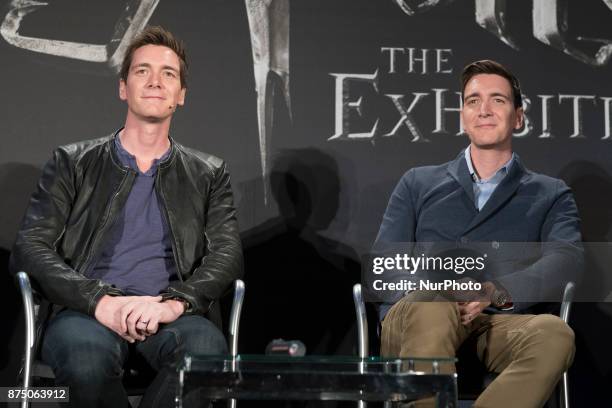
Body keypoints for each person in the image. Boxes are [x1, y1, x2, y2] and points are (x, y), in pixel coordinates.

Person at [10, 26, 243, 407]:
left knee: (204, 351)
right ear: (123, 88)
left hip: (171, 312)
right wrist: (101, 301)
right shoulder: (73, 162)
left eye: (168, 74)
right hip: (87, 311)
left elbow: (227, 255)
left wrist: (172, 304)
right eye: (142, 71)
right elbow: (30, 247)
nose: (155, 81)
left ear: (181, 95)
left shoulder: (209, 172)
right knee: (85, 361)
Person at [374, 60, 583, 408]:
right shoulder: (418, 182)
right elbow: (385, 262)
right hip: (417, 318)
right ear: (462, 116)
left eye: (497, 100)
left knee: (555, 334)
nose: (484, 109)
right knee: (434, 304)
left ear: (518, 116)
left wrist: (496, 291)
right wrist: (438, 290)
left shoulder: (551, 193)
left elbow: (566, 260)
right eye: (473, 101)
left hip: (494, 324)